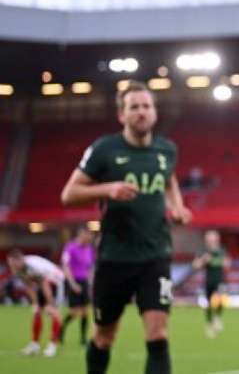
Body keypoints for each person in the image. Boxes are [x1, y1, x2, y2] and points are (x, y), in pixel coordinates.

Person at [61, 80, 192, 374]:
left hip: (156, 255)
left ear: (155, 113)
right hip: (114, 258)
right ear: (122, 115)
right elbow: (68, 194)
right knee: (104, 337)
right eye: (134, 107)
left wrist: (177, 206)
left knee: (158, 335)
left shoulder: (166, 150)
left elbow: (169, 179)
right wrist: (108, 188)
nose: (141, 112)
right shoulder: (104, 149)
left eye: (146, 106)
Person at [7, 249, 65, 357]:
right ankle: (35, 345)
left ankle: (52, 345)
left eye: (13, 263)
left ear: (20, 260)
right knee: (37, 312)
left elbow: (45, 284)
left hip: (55, 281)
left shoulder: (32, 266)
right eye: (10, 264)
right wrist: (35, 303)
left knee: (53, 312)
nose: (12, 266)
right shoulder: (17, 269)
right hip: (43, 283)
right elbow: (28, 286)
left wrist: (50, 303)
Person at [60, 226, 96, 347]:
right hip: (72, 281)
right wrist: (72, 284)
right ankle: (60, 330)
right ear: (81, 235)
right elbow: (66, 266)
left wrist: (90, 283)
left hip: (84, 281)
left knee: (86, 312)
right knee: (74, 312)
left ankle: (83, 339)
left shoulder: (89, 249)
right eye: (88, 235)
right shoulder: (70, 247)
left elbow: (89, 267)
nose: (90, 237)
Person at [192, 230, 231, 337]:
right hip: (209, 280)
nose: (210, 241)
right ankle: (210, 323)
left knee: (220, 299)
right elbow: (195, 265)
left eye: (212, 238)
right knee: (208, 303)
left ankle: (217, 317)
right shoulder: (203, 251)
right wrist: (204, 260)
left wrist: (220, 262)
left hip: (220, 280)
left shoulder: (222, 251)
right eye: (208, 239)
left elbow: (228, 264)